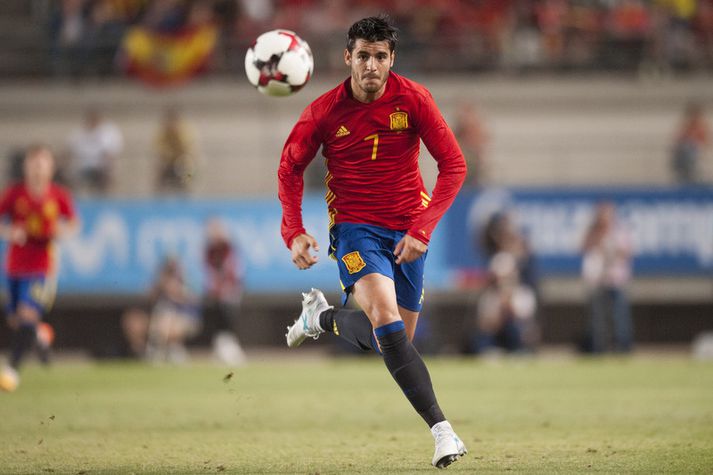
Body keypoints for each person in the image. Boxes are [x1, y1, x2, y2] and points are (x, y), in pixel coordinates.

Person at [277, 16, 468, 469]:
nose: (371, 65)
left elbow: (454, 166)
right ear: (348, 57)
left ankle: (321, 317)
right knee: (384, 317)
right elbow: (289, 169)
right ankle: (443, 431)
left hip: (408, 229)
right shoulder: (324, 112)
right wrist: (293, 231)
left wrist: (422, 229)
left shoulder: (414, 100)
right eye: (363, 55)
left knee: (394, 340)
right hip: (356, 228)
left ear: (391, 59)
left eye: (380, 56)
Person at [0, 145, 79, 391]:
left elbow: (73, 223)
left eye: (42, 163)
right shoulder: (15, 194)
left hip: (41, 267)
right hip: (14, 266)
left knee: (27, 314)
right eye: (33, 163)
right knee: (16, 320)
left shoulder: (58, 195)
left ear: (51, 168)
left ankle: (11, 370)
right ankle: (39, 335)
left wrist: (61, 231)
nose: (37, 168)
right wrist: (9, 232)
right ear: (26, 167)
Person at [581, 202, 634, 354]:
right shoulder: (593, 232)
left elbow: (627, 252)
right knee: (597, 319)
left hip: (615, 280)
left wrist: (611, 251)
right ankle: (598, 348)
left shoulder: (619, 232)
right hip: (598, 281)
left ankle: (622, 348)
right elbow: (583, 248)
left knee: (619, 317)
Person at [203, 217, 246, 365]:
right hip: (216, 292)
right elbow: (208, 271)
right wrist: (214, 286)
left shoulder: (229, 249)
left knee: (227, 315)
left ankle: (229, 347)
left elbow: (235, 271)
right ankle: (221, 346)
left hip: (230, 290)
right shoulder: (209, 251)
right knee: (216, 316)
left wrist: (226, 286)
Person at [145, 256, 201, 364]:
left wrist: (175, 294)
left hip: (187, 320)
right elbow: (151, 300)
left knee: (168, 321)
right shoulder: (160, 285)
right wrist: (161, 285)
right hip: (162, 323)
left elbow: (193, 307)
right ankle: (159, 351)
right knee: (163, 319)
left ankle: (171, 350)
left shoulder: (186, 284)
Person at [67, 108, 124, 195]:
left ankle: (103, 198)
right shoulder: (78, 133)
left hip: (100, 168)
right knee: (68, 176)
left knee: (105, 176)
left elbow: (110, 154)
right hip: (82, 167)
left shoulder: (108, 132)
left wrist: (108, 167)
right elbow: (69, 151)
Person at [154, 106, 198, 195]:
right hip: (168, 162)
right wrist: (166, 155)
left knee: (187, 175)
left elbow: (189, 149)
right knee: (159, 177)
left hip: (183, 162)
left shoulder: (184, 131)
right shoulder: (163, 132)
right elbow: (159, 148)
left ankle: (186, 189)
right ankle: (159, 197)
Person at [670, 101, 710, 185]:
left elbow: (704, 143)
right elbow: (678, 141)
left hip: (695, 156)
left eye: (695, 114)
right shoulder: (686, 127)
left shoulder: (701, 127)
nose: (693, 117)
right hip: (684, 158)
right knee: (686, 148)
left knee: (690, 149)